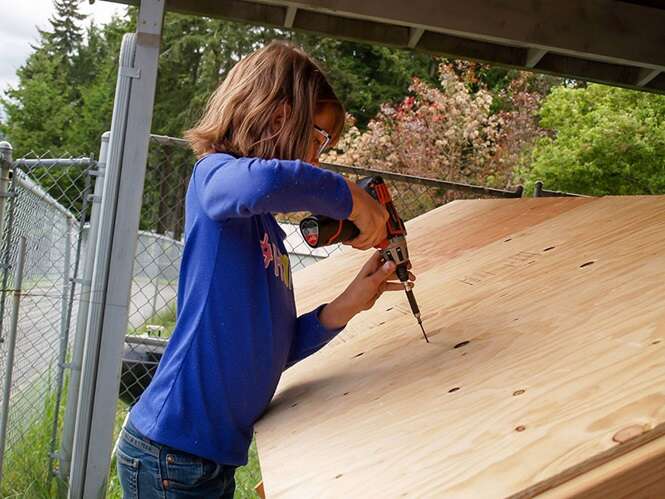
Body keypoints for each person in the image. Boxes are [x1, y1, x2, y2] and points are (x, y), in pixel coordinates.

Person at [116, 40, 414, 498]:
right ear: (279, 116)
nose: (319, 156)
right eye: (318, 138)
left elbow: (276, 349)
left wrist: (351, 301)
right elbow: (270, 180)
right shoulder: (213, 176)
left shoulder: (267, 234)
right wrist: (352, 198)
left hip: (209, 459)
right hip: (169, 452)